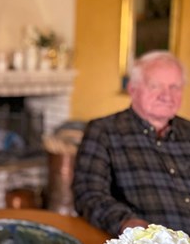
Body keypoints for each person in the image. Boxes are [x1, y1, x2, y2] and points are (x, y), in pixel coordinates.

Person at [72, 50, 190, 236]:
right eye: (155, 86)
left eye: (175, 87)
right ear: (133, 89)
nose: (167, 95)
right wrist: (130, 225)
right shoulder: (104, 131)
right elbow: (88, 194)